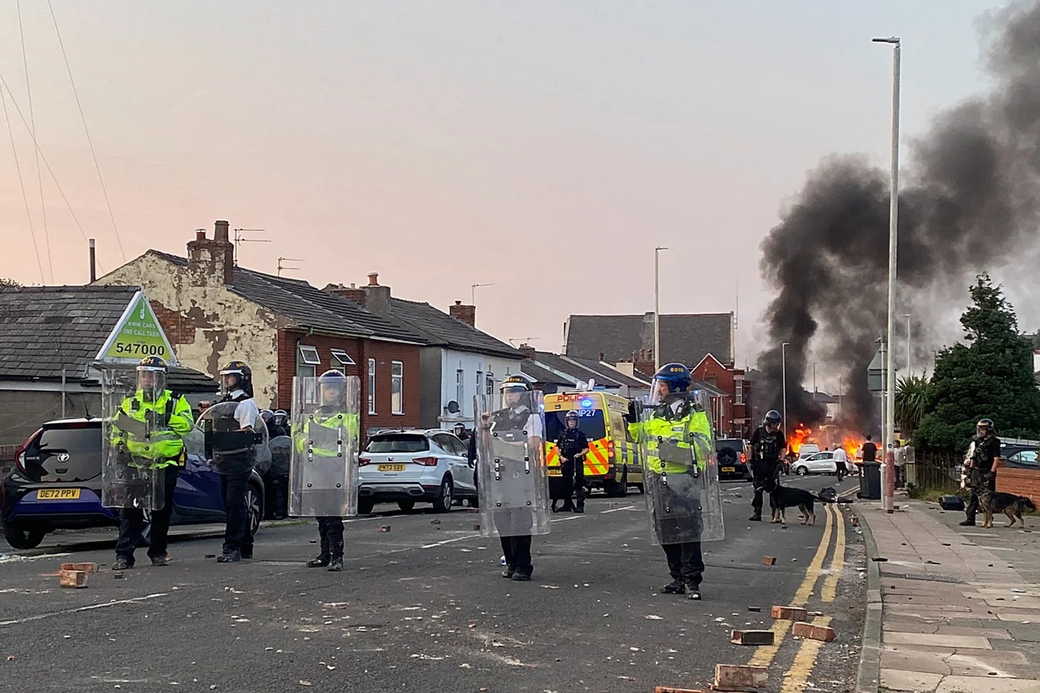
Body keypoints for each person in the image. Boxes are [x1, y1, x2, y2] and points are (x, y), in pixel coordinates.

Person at [627, 363, 714, 600]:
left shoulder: (694, 414)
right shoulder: (657, 413)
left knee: (688, 531)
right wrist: (633, 419)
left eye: (663, 385)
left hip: (684, 480)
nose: (660, 390)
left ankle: (692, 580)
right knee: (664, 529)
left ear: (674, 387)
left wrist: (671, 451)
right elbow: (639, 437)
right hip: (659, 480)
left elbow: (703, 446)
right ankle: (676, 576)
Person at [110, 357, 194, 571]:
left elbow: (187, 425)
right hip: (136, 465)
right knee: (130, 513)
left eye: (151, 375)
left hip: (165, 465)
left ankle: (157, 552)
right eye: (143, 374)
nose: (147, 379)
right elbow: (117, 429)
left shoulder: (174, 401)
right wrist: (120, 447)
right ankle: (124, 556)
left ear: (160, 378)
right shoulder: (130, 401)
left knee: (161, 513)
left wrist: (164, 418)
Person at [479, 376, 544, 581]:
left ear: (524, 394)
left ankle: (523, 566)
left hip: (521, 474)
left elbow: (532, 445)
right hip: (500, 474)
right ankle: (511, 562)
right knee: (502, 523)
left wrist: (504, 447)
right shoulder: (498, 418)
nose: (510, 396)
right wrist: (483, 428)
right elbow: (487, 446)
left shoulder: (531, 417)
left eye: (514, 391)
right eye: (507, 392)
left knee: (520, 522)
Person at [295, 370, 359, 572]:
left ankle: (337, 556)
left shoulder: (346, 416)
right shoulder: (312, 415)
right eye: (326, 388)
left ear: (340, 391)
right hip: (314, 469)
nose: (329, 392)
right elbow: (299, 440)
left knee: (332, 515)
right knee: (320, 515)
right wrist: (303, 443)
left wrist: (328, 438)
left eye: (333, 389)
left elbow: (351, 441)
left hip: (334, 469)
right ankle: (324, 554)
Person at [213, 360, 262, 563]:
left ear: (241, 379)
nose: (226, 380)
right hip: (224, 457)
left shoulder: (245, 403)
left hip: (239, 458)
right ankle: (245, 544)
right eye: (225, 377)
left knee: (235, 503)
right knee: (232, 503)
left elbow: (246, 431)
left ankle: (232, 547)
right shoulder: (224, 401)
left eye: (230, 376)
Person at [961, 418, 1002, 527]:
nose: (980, 430)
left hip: (987, 471)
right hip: (977, 471)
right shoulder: (977, 441)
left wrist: (992, 472)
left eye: (983, 428)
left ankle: (989, 519)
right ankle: (970, 518)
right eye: (979, 428)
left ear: (988, 429)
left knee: (988, 496)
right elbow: (974, 456)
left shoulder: (994, 441)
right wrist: (970, 469)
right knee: (973, 495)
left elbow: (996, 458)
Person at [748, 410, 786, 522]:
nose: (777, 426)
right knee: (758, 490)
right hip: (759, 464)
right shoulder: (759, 432)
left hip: (772, 465)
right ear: (769, 423)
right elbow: (750, 445)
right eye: (775, 424)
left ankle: (775, 515)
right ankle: (757, 513)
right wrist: (750, 459)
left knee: (774, 490)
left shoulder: (779, 434)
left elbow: (783, 448)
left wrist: (781, 460)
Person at [553, 410, 589, 513]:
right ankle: (567, 504)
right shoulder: (563, 434)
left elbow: (586, 448)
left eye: (573, 421)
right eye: (570, 421)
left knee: (578, 483)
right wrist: (561, 456)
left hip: (576, 462)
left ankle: (580, 505)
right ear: (567, 422)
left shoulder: (580, 435)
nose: (572, 423)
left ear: (576, 422)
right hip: (566, 462)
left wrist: (580, 454)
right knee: (566, 484)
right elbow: (557, 447)